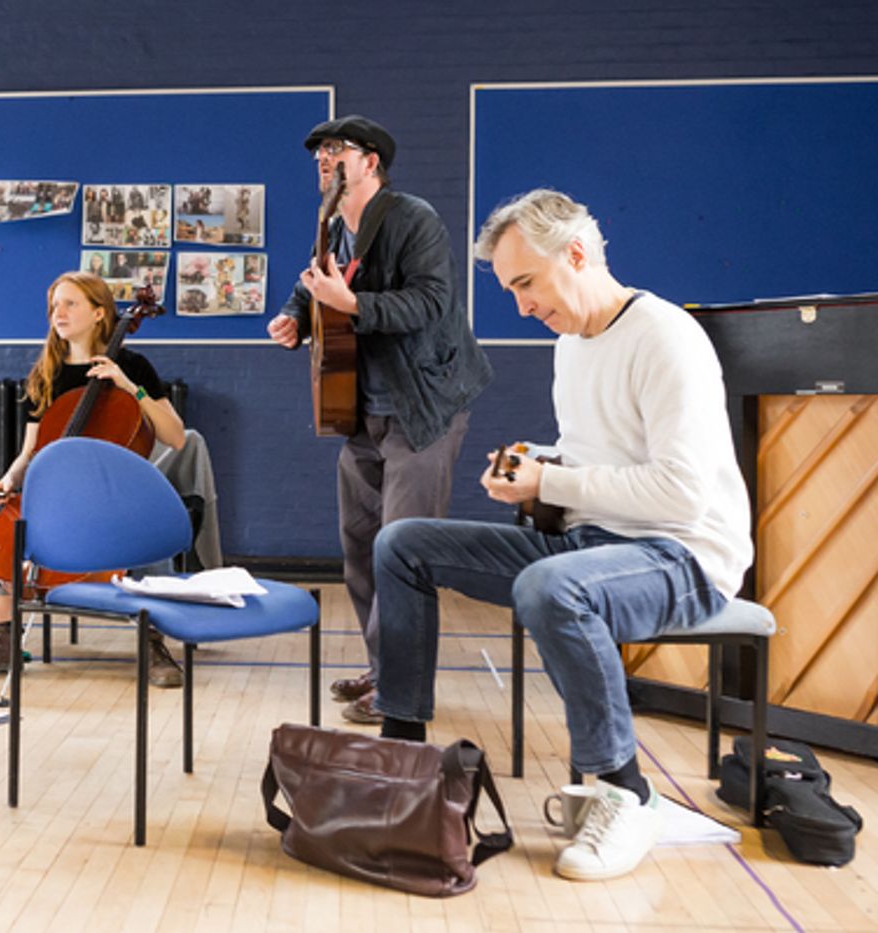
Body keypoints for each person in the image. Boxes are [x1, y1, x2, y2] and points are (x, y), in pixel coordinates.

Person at [373, 189, 753, 880]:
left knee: (549, 587)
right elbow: (596, 460)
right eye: (512, 290)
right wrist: (539, 465)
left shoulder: (666, 337)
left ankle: (627, 793)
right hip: (588, 545)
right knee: (401, 543)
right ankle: (402, 761)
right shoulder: (572, 345)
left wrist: (550, 481)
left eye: (527, 283)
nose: (522, 307)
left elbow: (680, 491)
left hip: (681, 556)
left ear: (576, 254)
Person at [267, 114, 493, 723]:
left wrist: (353, 304)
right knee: (362, 549)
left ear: (371, 162)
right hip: (361, 413)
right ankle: (384, 668)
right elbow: (310, 287)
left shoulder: (412, 219)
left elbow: (430, 302)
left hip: (422, 409)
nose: (323, 157)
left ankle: (403, 694)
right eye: (318, 150)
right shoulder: (332, 228)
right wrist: (293, 317)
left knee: (403, 551)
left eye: (336, 148)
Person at [0, 271, 189, 686]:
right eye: (54, 306)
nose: (58, 313)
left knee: (149, 531)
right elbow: (32, 452)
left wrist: (130, 388)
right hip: (56, 504)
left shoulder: (133, 367)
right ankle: (3, 640)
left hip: (115, 500)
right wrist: (7, 481)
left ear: (99, 313)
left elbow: (176, 437)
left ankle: (153, 642)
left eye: (70, 304)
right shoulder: (46, 374)